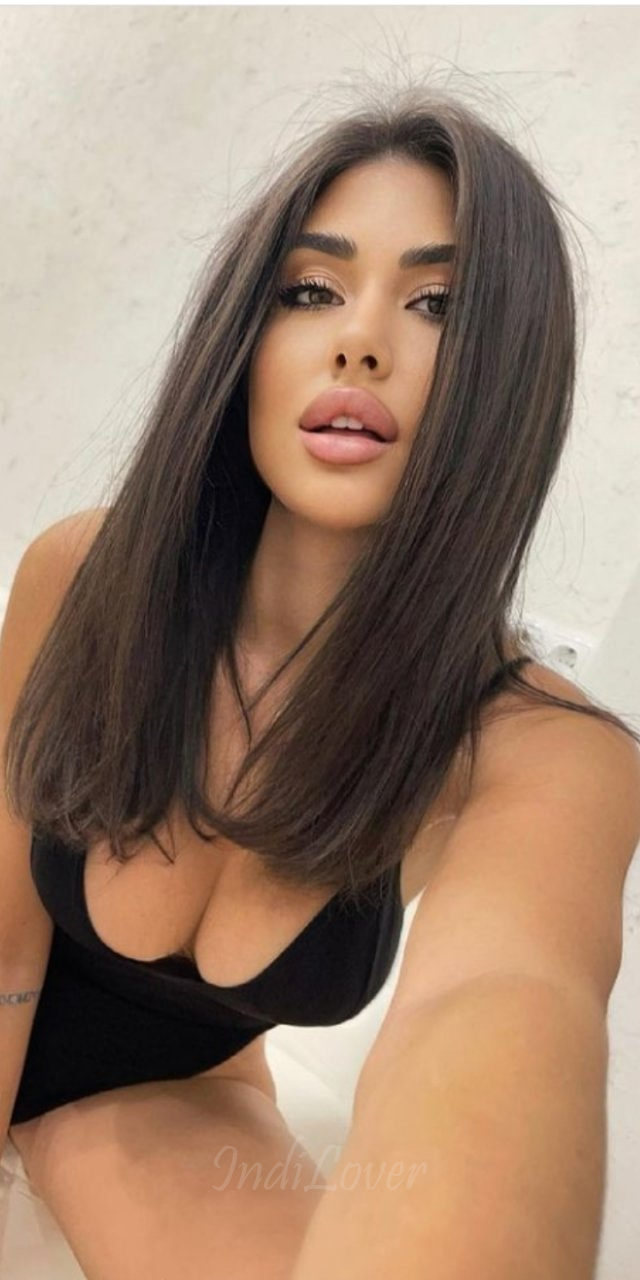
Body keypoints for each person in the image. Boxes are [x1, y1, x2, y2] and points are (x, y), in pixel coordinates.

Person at [1, 84, 639, 1279]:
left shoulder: (537, 750)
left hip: (173, 1102)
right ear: (247, 337)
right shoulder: (84, 573)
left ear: (509, 375)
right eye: (311, 289)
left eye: (437, 303)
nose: (361, 342)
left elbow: (504, 1005)